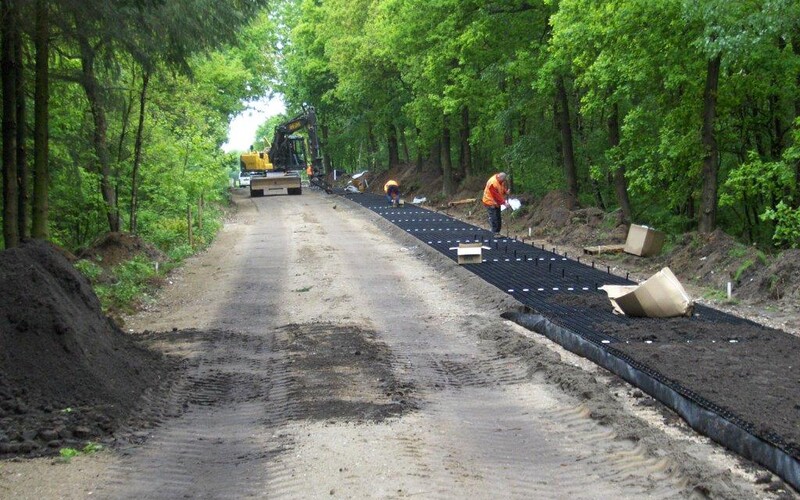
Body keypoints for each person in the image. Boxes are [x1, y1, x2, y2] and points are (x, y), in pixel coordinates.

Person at [482, 172, 510, 236]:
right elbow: (495, 195)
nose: (504, 181)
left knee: (498, 217)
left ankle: (497, 232)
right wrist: (504, 203)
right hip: (489, 201)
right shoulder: (492, 182)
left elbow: (500, 189)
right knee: (494, 217)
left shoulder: (500, 181)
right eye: (503, 180)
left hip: (496, 202)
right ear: (500, 177)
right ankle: (494, 232)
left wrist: (505, 192)